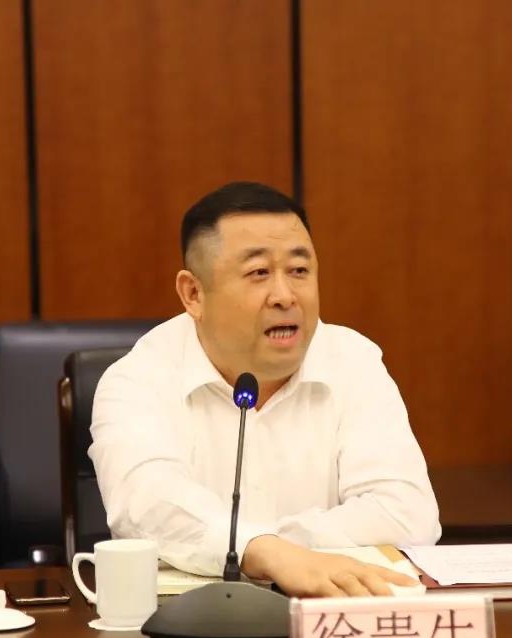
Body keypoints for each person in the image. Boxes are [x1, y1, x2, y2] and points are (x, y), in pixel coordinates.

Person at [89, 181, 441, 597]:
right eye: (258, 273)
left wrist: (269, 548)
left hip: (330, 618)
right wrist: (271, 555)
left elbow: (408, 515)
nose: (285, 296)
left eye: (299, 271)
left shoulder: (354, 362)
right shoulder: (137, 380)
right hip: (190, 625)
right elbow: (148, 507)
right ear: (193, 294)